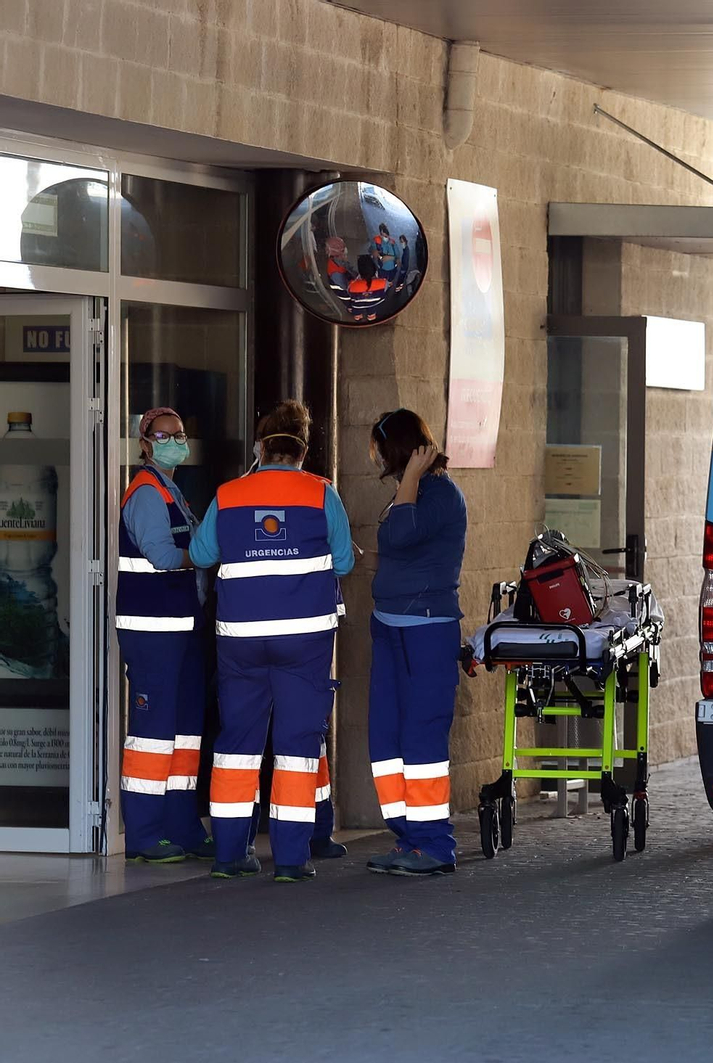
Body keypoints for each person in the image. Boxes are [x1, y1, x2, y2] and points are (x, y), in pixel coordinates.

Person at [187, 401, 354, 882]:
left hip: (240, 641)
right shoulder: (323, 493)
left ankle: (230, 854)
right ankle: (290, 859)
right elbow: (343, 564)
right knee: (297, 745)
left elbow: (201, 553)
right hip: (304, 640)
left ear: (261, 451)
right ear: (301, 455)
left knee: (237, 743)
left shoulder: (229, 493)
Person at [363, 409, 467, 876]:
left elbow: (403, 532)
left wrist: (409, 477)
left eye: (380, 448)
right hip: (389, 628)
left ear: (399, 450)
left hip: (426, 630)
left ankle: (434, 843)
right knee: (387, 736)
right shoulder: (414, 492)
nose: (376, 457)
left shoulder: (440, 494)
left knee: (421, 735)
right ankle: (407, 837)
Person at [114, 408, 211, 863]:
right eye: (165, 434)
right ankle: (144, 834)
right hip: (154, 630)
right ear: (145, 443)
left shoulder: (171, 490)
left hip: (181, 626)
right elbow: (162, 556)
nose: (176, 440)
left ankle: (181, 826)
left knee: (185, 731)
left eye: (181, 433)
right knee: (153, 734)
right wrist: (204, 555)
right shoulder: (148, 493)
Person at [347, 254, 389, 321]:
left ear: (360, 270)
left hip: (358, 305)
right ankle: (371, 317)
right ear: (374, 268)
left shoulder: (352, 285)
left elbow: (349, 293)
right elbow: (385, 290)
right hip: (374, 303)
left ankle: (358, 318)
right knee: (372, 310)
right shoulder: (383, 283)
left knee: (357, 311)